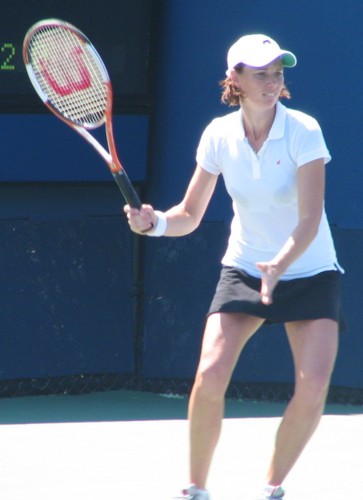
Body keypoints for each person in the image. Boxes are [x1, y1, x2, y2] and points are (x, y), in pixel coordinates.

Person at [124, 33, 343, 500]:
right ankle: (196, 488)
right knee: (209, 376)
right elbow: (188, 214)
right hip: (244, 269)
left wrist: (280, 264)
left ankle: (271, 486)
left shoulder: (304, 130)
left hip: (310, 271)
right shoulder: (218, 136)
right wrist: (155, 224)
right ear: (235, 79)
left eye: (278, 73)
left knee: (314, 387)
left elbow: (310, 219)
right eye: (261, 74)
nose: (272, 82)